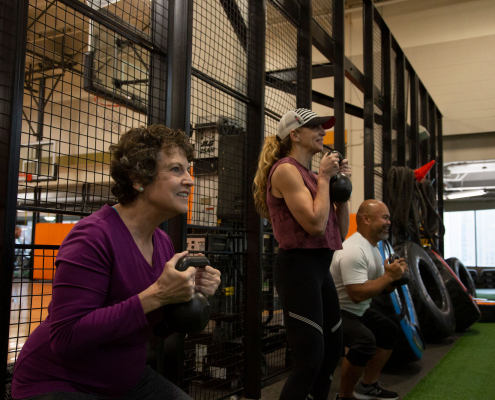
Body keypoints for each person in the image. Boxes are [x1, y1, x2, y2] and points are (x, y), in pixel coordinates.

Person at [12, 125, 221, 400]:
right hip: (60, 383)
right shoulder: (93, 237)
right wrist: (156, 296)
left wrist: (186, 296)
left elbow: (155, 327)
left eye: (188, 169)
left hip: (125, 380)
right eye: (176, 169)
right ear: (138, 179)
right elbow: (65, 337)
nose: (190, 180)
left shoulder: (163, 243)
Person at [253, 108, 352, 400]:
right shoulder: (286, 170)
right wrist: (324, 178)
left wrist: (341, 191)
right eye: (315, 127)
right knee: (309, 359)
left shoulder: (311, 174)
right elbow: (315, 225)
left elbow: (339, 231)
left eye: (323, 127)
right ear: (294, 135)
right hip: (298, 269)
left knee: (333, 350)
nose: (323, 132)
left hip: (320, 269)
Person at [330, 200, 408, 400]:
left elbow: (379, 290)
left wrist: (394, 279)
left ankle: (368, 385)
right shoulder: (354, 249)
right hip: (336, 311)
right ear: (366, 219)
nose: (389, 222)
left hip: (357, 310)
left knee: (389, 330)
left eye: (388, 217)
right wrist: (388, 277)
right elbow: (356, 294)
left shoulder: (373, 247)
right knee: (364, 342)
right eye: (385, 217)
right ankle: (345, 396)